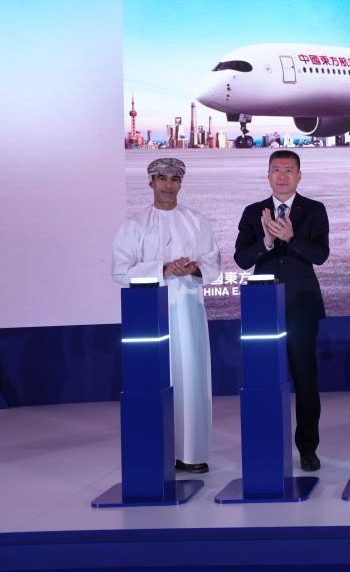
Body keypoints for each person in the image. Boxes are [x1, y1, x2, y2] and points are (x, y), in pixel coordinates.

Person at [112, 158, 221, 474]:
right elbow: (119, 271)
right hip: (150, 316)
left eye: (174, 179)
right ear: (150, 183)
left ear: (180, 184)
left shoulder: (196, 221)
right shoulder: (135, 225)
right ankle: (155, 451)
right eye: (161, 178)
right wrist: (162, 269)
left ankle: (192, 453)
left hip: (188, 312)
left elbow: (213, 263)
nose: (168, 185)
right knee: (153, 380)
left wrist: (194, 269)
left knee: (191, 378)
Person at [234, 150, 330, 472]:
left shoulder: (314, 210)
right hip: (263, 307)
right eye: (276, 170)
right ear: (268, 174)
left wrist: (292, 237)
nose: (283, 175)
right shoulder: (252, 212)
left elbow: (320, 255)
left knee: (305, 380)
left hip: (302, 306)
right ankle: (267, 446)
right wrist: (266, 242)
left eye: (289, 170)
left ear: (299, 175)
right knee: (264, 379)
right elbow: (242, 260)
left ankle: (307, 449)